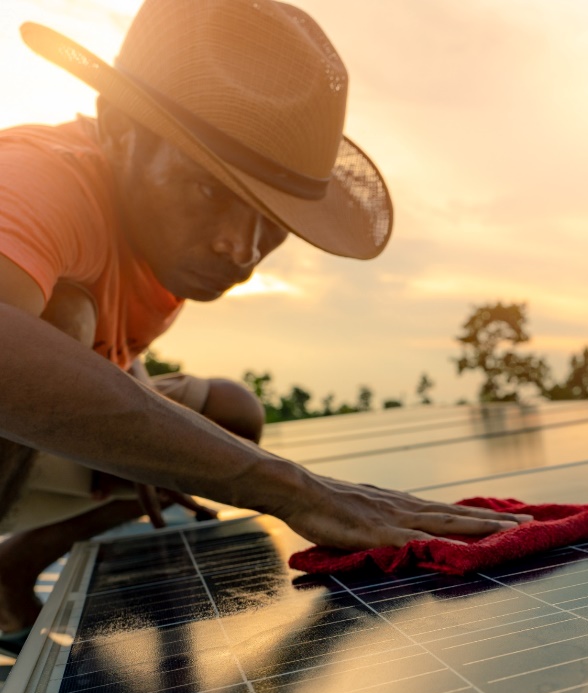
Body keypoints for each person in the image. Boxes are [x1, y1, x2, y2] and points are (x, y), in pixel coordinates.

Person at [0, 0, 527, 639]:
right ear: (117, 127)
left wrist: (153, 419)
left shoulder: (156, 235)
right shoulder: (36, 177)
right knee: (62, 322)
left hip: (25, 457)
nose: (242, 250)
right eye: (207, 190)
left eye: (269, 217)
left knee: (222, 419)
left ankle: (11, 569)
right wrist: (293, 489)